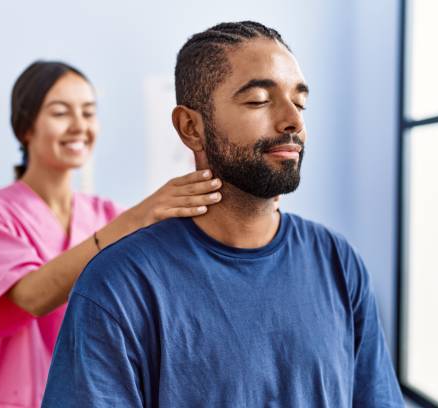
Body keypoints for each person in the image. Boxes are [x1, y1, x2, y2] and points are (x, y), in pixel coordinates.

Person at [42, 21, 405, 407]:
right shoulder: (119, 285)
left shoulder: (338, 262)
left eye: (300, 102)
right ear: (191, 128)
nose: (293, 121)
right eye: (259, 101)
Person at [0, 61, 225, 407]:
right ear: (26, 127)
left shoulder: (108, 215)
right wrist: (139, 216)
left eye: (88, 112)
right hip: (12, 396)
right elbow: (31, 297)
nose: (79, 126)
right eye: (60, 112)